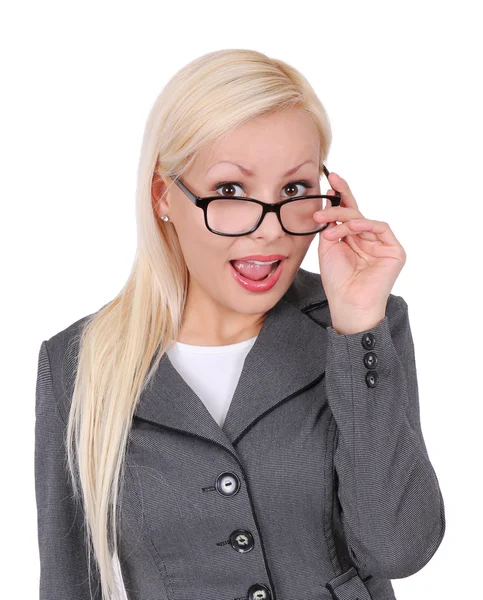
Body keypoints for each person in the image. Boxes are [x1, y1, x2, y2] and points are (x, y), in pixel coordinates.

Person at [34, 48, 445, 600]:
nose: (270, 231)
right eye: (230, 192)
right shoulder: (77, 365)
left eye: (295, 190)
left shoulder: (362, 328)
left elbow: (399, 549)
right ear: (163, 197)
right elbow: (67, 584)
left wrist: (356, 328)